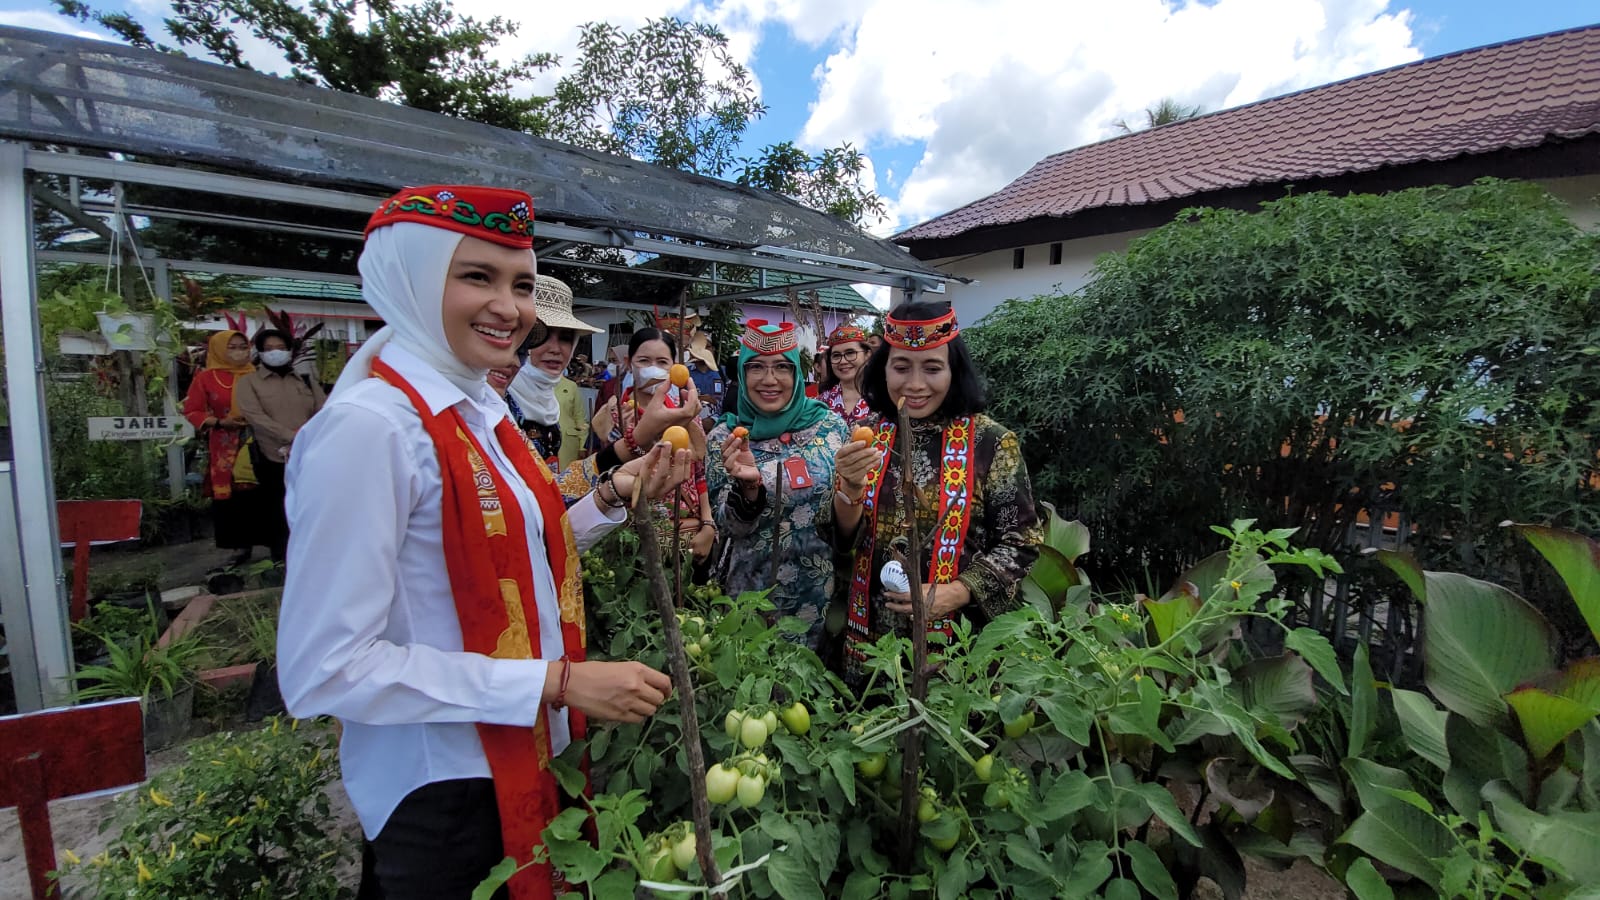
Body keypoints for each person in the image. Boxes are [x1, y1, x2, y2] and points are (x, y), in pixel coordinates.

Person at [276, 185, 687, 900]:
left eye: (522, 284)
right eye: (476, 277)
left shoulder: (474, 403)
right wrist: (555, 682)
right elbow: (326, 668)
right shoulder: (373, 428)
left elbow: (517, 553)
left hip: (522, 756)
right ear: (409, 280)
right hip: (447, 793)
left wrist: (616, 495)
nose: (510, 308)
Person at [827, 300, 1043, 690]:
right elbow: (844, 541)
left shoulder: (991, 443)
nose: (915, 384)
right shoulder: (865, 433)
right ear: (883, 369)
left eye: (932, 367)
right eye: (901, 367)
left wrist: (956, 592)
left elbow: (1021, 542)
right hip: (871, 644)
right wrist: (851, 490)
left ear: (953, 371)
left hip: (959, 646)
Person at [706, 320, 852, 649]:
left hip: (820, 596)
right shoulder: (725, 438)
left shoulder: (831, 427)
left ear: (797, 375)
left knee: (814, 689)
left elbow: (849, 506)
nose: (769, 379)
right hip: (751, 596)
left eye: (782, 368)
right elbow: (725, 525)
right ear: (742, 375)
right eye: (756, 367)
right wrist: (748, 493)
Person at [592, 328, 715, 565]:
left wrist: (708, 523)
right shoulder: (615, 412)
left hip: (687, 528)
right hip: (633, 537)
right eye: (644, 361)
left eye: (662, 362)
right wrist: (633, 435)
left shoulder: (686, 410)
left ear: (674, 367)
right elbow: (606, 476)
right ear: (629, 363)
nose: (653, 368)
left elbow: (700, 473)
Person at [235, 327, 326, 563]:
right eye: (269, 349)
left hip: (310, 453)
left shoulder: (305, 378)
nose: (275, 352)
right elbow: (255, 416)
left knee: (312, 506)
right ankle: (281, 559)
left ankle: (315, 556)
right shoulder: (249, 382)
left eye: (280, 348)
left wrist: (309, 436)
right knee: (277, 508)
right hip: (272, 456)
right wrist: (290, 436)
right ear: (260, 352)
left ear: (289, 350)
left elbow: (324, 409)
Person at [182, 329, 266, 565]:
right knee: (232, 493)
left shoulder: (258, 375)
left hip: (259, 438)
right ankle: (239, 546)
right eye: (233, 347)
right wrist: (219, 422)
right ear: (219, 349)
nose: (240, 352)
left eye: (243, 346)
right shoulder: (205, 378)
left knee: (261, 489)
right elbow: (192, 411)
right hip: (224, 443)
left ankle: (271, 542)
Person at [504, 275, 599, 469]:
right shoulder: (494, 400)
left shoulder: (548, 400)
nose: (555, 349)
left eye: (565, 338)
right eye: (539, 336)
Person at [818, 323, 873, 428]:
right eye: (836, 356)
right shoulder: (821, 403)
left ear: (867, 355)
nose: (843, 361)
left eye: (850, 353)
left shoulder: (882, 399)